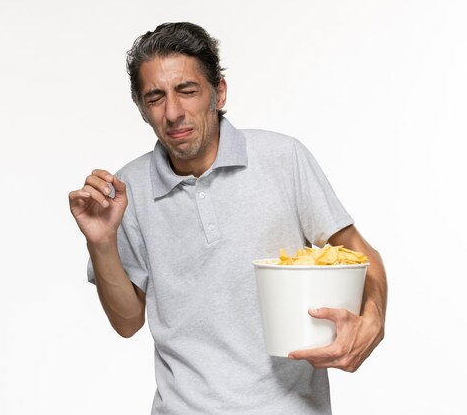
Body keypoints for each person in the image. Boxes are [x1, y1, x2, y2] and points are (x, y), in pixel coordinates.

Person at [69, 22, 387, 415]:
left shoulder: (282, 158)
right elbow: (127, 322)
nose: (173, 112)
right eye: (155, 97)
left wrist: (373, 319)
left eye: (187, 91)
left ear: (218, 92)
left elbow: (359, 253)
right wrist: (100, 243)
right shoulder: (124, 192)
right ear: (141, 108)